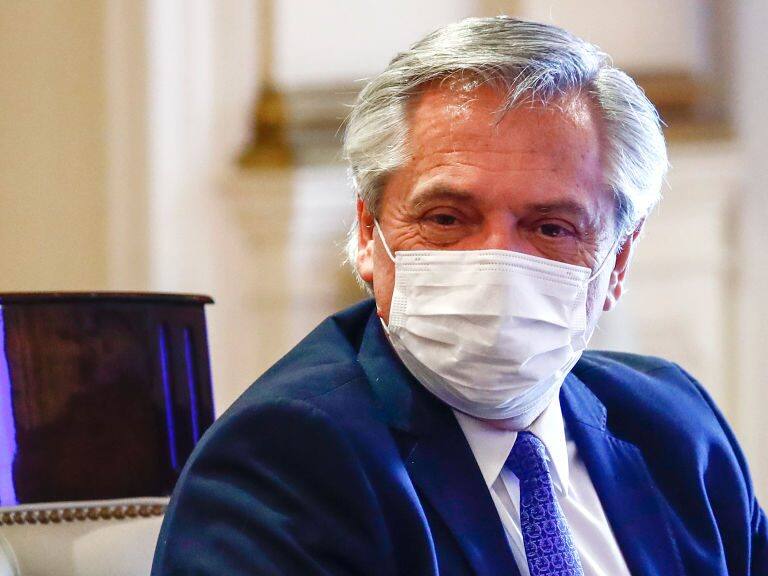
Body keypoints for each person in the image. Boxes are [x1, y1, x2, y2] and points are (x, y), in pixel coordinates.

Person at [151, 16, 767, 576]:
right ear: (369, 235)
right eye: (447, 218)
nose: (496, 262)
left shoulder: (675, 428)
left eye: (551, 228)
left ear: (616, 264)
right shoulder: (285, 461)